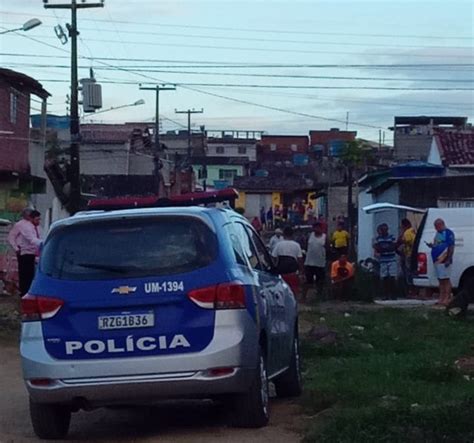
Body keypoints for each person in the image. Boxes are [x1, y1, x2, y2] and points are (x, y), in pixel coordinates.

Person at [8, 209, 42, 296]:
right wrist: (16, 248)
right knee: (25, 273)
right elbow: (11, 237)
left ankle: (28, 290)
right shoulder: (21, 225)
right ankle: (24, 291)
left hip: (33, 251)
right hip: (24, 251)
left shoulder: (35, 225)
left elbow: (36, 238)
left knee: (31, 273)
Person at [427, 218, 455, 306]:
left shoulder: (448, 233)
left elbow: (451, 247)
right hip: (437, 260)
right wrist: (432, 246)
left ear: (441, 224)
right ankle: (441, 298)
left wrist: (448, 259)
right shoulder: (438, 234)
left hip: (444, 259)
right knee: (440, 280)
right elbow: (437, 244)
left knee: (446, 279)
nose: (435, 228)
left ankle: (447, 298)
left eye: (437, 226)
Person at [272, 226, 304, 296]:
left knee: (281, 291)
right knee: (293, 291)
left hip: (281, 271)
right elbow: (300, 259)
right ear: (293, 235)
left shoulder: (279, 245)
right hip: (293, 272)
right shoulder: (296, 245)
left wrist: (275, 267)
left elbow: (273, 257)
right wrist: (301, 271)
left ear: (283, 234)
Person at [373, 223, 398, 300]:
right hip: (383, 260)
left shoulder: (391, 237)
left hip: (391, 259)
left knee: (392, 277)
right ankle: (385, 295)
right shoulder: (378, 239)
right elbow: (377, 248)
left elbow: (393, 247)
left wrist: (383, 248)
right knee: (384, 277)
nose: (383, 231)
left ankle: (393, 295)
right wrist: (385, 248)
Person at [304, 222, 327, 300]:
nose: (316, 229)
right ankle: (304, 297)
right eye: (315, 227)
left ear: (321, 228)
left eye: (318, 228)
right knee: (308, 281)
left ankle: (319, 297)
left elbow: (328, 249)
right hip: (309, 262)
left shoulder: (325, 237)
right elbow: (305, 246)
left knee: (320, 281)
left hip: (320, 263)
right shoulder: (309, 236)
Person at [397, 218, 417, 297]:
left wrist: (401, 240)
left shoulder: (407, 232)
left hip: (408, 254)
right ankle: (413, 290)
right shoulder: (413, 231)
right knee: (412, 272)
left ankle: (411, 291)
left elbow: (406, 242)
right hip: (412, 254)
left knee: (408, 273)